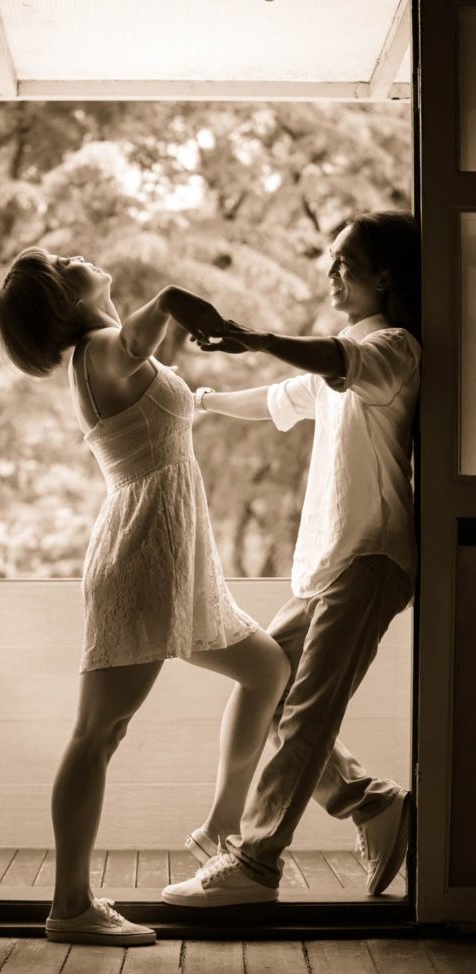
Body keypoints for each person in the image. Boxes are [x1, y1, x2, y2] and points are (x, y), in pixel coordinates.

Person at [0, 248, 290, 945]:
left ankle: (220, 825)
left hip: (173, 563)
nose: (79, 256)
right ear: (65, 303)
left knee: (267, 670)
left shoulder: (103, 358)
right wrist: (219, 325)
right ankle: (70, 908)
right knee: (97, 734)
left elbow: (164, 402)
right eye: (65, 264)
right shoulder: (100, 347)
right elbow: (173, 299)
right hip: (142, 563)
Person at [162, 210, 421, 907]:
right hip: (328, 565)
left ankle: (255, 863)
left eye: (345, 262)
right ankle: (373, 804)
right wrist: (200, 400)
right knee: (269, 685)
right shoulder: (339, 367)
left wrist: (251, 335)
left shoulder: (394, 352)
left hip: (372, 557)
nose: (332, 272)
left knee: (305, 712)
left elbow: (333, 360)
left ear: (384, 276)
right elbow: (277, 398)